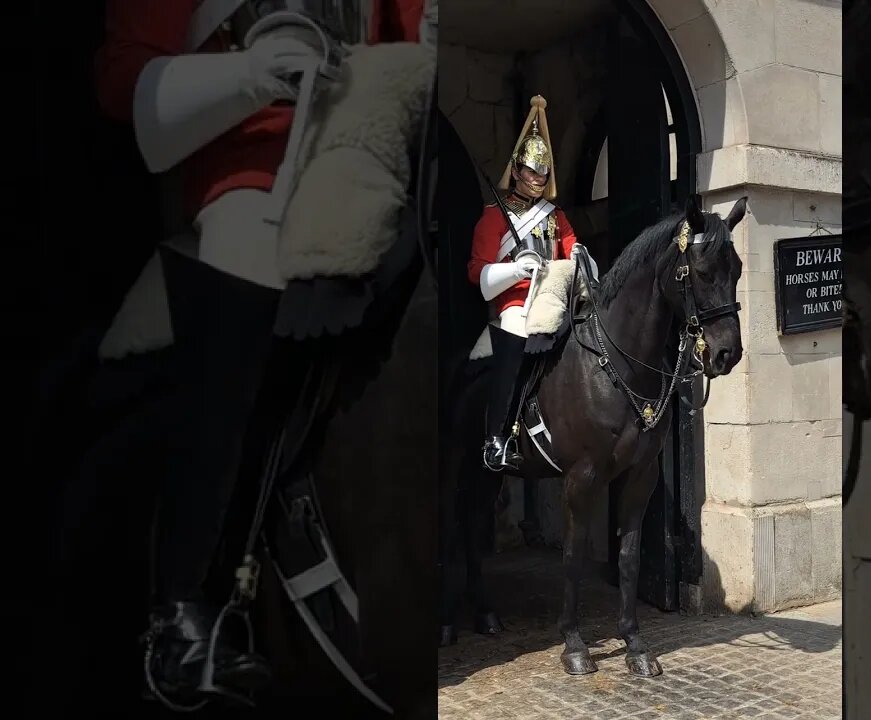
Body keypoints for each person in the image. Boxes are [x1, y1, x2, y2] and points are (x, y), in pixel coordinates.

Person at [92, 0, 427, 708]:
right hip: (251, 171)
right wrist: (249, 71)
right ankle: (187, 609)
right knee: (246, 288)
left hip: (369, 151)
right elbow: (126, 79)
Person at [467, 95, 582, 472]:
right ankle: (497, 437)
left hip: (554, 297)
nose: (537, 180)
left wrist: (581, 255)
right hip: (513, 304)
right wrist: (517, 270)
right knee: (517, 333)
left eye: (543, 174)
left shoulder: (555, 216)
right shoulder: (492, 219)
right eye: (531, 172)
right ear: (516, 171)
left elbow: (570, 247)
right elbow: (480, 276)